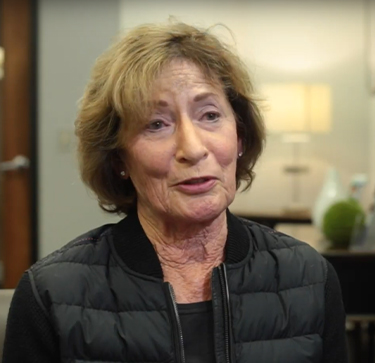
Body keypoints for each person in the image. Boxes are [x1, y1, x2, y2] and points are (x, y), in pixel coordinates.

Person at [2, 22, 348, 363]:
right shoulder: (50, 294)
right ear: (118, 157)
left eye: (210, 115)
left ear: (240, 137)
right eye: (157, 124)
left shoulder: (309, 279)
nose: (193, 148)